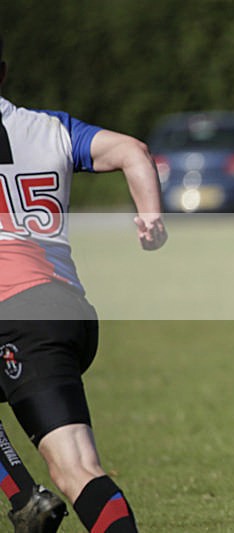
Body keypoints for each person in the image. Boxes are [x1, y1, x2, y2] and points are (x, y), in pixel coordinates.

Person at [0, 36, 166, 532]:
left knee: (75, 471)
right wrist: (150, 217)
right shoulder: (49, 128)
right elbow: (132, 151)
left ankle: (26, 498)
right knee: (79, 467)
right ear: (3, 72)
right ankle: (26, 499)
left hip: (16, 315)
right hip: (65, 309)